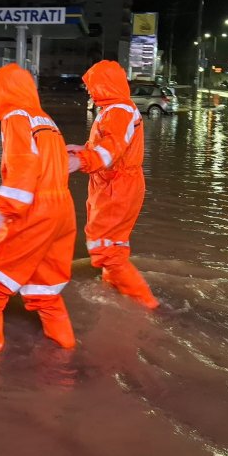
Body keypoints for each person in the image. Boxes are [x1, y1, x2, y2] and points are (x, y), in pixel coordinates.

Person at [0, 63, 77, 354]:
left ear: (5, 92)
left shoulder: (16, 117)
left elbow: (24, 170)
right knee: (46, 292)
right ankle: (66, 351)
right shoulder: (46, 120)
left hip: (35, 209)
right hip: (62, 210)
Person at [66, 60, 159, 309]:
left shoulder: (119, 110)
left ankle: (147, 305)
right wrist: (83, 150)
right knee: (112, 246)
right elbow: (109, 146)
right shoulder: (114, 109)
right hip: (114, 183)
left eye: (91, 85)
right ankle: (114, 288)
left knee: (105, 248)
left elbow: (111, 149)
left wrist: (81, 161)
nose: (88, 90)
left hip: (117, 186)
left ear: (104, 85)